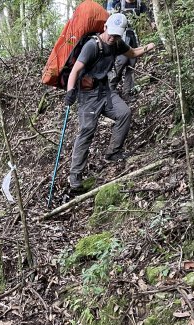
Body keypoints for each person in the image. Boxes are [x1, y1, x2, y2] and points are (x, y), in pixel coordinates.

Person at [64, 13, 156, 192]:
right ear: (105, 28)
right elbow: (75, 70)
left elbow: (132, 52)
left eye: (117, 35)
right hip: (88, 95)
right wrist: (70, 92)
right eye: (111, 34)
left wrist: (148, 47)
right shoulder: (92, 46)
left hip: (105, 92)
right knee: (86, 132)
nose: (113, 38)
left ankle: (113, 152)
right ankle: (75, 178)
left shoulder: (118, 43)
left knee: (124, 113)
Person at [108, 0, 155, 99]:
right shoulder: (119, 4)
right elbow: (111, 20)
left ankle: (127, 92)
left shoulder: (139, 4)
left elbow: (148, 13)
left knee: (131, 67)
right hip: (121, 40)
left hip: (134, 39)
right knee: (120, 64)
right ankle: (111, 90)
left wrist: (152, 22)